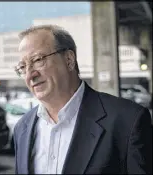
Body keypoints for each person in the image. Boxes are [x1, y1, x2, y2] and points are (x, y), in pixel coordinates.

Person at [13, 25, 152, 174]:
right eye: (22, 67)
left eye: (38, 60)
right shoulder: (22, 128)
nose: (29, 75)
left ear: (69, 60)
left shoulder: (128, 121)